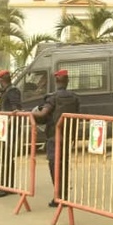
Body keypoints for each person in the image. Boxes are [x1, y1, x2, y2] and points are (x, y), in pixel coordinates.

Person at [32, 69, 80, 207]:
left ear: (56, 80)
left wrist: (30, 113)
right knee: (64, 165)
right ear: (67, 81)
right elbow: (77, 117)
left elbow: (43, 114)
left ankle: (58, 196)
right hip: (67, 135)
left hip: (54, 136)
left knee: (54, 165)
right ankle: (64, 195)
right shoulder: (75, 97)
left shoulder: (52, 97)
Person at [0, 69, 23, 198]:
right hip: (3, 129)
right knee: (4, 156)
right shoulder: (4, 92)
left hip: (9, 129)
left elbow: (16, 109)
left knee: (7, 156)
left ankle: (7, 186)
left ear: (1, 81)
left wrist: (8, 126)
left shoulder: (12, 91)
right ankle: (5, 184)